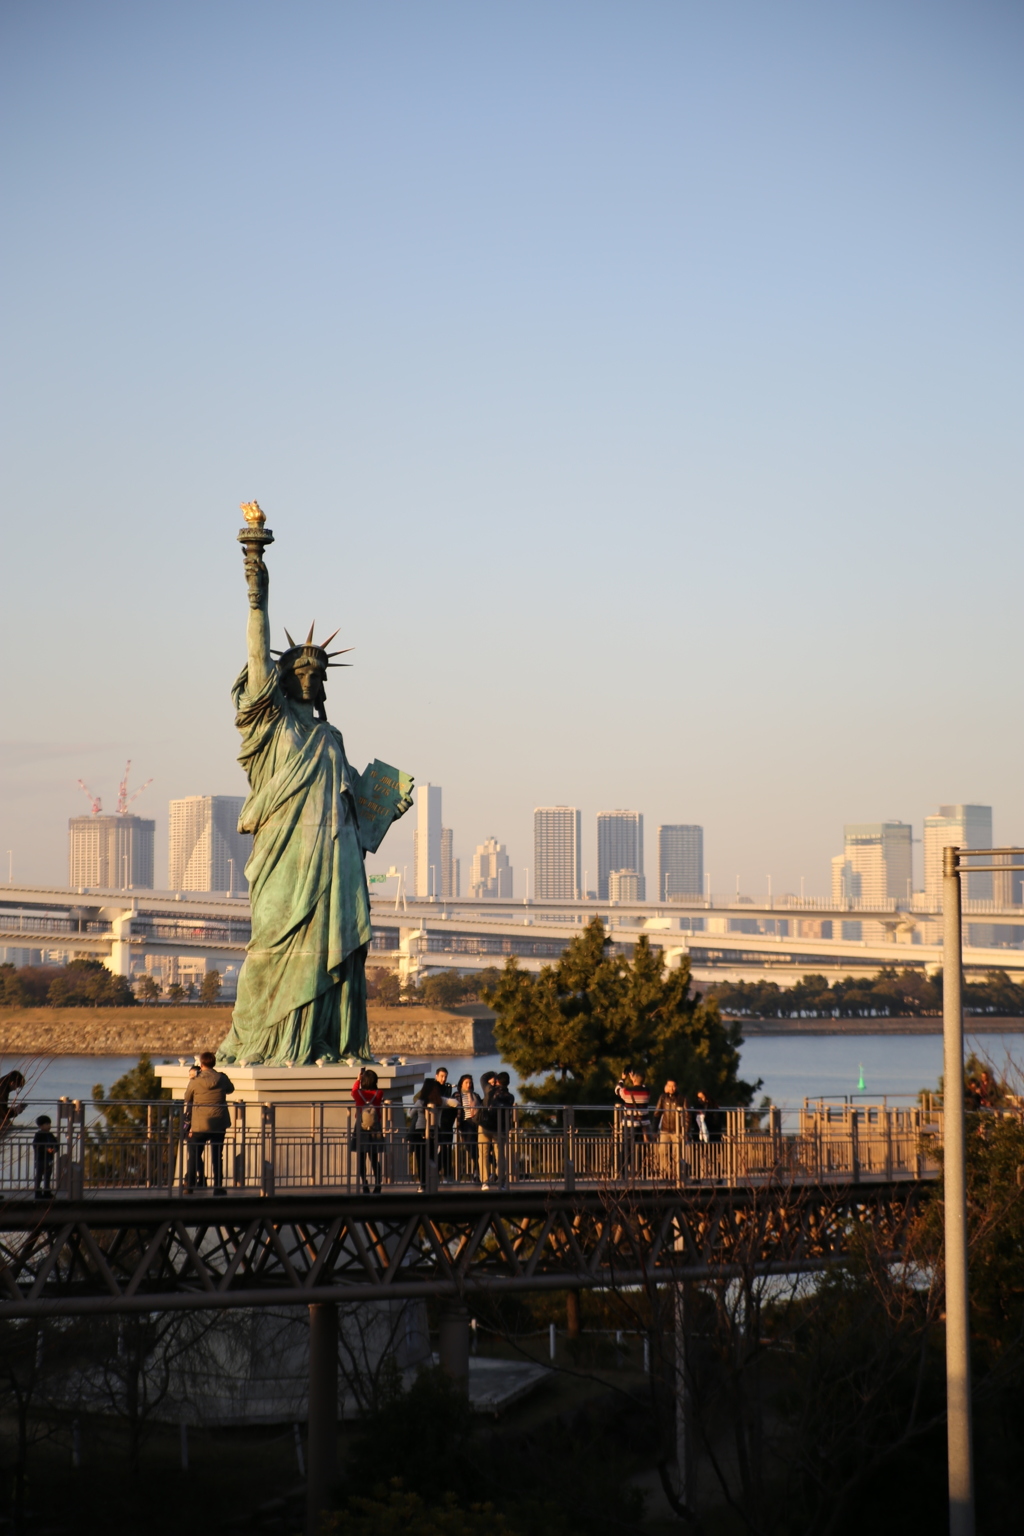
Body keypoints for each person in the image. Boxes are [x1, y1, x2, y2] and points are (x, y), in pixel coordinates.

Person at [216, 505, 413, 1067]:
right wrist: (256, 571)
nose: (308, 675)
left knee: (337, 950)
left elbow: (356, 805)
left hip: (335, 858)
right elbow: (256, 647)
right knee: (272, 946)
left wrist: (387, 801)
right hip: (285, 855)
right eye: (298, 669)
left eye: (315, 672)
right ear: (282, 678)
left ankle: (326, 1040)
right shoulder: (271, 723)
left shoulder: (331, 736)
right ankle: (264, 1041)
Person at [184, 1052, 235, 1194]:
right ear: (214, 1063)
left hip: (200, 1123)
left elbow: (187, 1097)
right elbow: (231, 1089)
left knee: (194, 1154)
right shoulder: (222, 1078)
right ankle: (218, 1187)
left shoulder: (195, 1080)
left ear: (201, 1064)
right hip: (219, 1123)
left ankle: (190, 1186)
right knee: (217, 1155)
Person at [478, 1072, 515, 1190]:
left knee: (483, 1153)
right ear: (508, 1083)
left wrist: (492, 1074)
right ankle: (501, 1182)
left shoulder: (489, 1090)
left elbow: (483, 1078)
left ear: (497, 1081)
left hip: (485, 1126)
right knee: (500, 1155)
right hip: (499, 1128)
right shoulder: (510, 1097)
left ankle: (485, 1182)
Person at [351, 1067, 385, 1194]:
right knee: (374, 1157)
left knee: (361, 1157)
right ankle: (378, 1184)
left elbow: (353, 1091)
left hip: (361, 1127)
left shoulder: (358, 1094)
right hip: (375, 1127)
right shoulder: (379, 1093)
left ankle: (364, 1184)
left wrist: (358, 1080)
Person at [407, 1079, 443, 1190]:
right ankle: (432, 1182)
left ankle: (422, 1184)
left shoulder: (420, 1102)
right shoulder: (439, 1101)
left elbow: (410, 1115)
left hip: (420, 1131)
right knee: (431, 1157)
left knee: (421, 1159)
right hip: (433, 1131)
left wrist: (409, 1109)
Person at [655, 1079, 687, 1180]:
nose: (671, 1088)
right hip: (665, 1129)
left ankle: (677, 1174)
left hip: (677, 1130)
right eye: (669, 1086)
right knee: (662, 1152)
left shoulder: (682, 1098)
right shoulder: (663, 1097)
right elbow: (657, 1113)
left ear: (677, 1087)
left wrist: (685, 1131)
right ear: (666, 1086)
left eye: (673, 1086)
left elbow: (687, 1116)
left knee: (677, 1154)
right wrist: (654, 1129)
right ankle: (666, 1174)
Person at [455, 1074, 482, 1181]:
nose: (468, 1085)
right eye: (466, 1082)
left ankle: (477, 1172)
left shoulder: (475, 1095)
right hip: (465, 1122)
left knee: (478, 1147)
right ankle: (477, 1170)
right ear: (461, 1084)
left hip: (477, 1123)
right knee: (470, 1146)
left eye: (470, 1083)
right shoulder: (457, 1095)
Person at [434, 1068, 458, 1182]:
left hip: (447, 1123)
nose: (443, 1079)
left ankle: (447, 1175)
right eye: (442, 1076)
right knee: (442, 1149)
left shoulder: (447, 1088)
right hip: (437, 1123)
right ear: (436, 1076)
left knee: (447, 1149)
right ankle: (436, 1172)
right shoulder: (433, 1088)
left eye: (445, 1077)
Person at [32, 1115, 58, 1199]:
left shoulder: (50, 1135)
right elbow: (36, 1145)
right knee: (39, 1176)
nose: (49, 1126)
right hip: (40, 1159)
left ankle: (47, 1192)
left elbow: (56, 1144)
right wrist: (46, 1149)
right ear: (41, 1126)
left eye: (49, 1124)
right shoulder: (38, 1134)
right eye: (47, 1124)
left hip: (49, 1159)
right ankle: (38, 1192)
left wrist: (54, 1149)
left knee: (48, 1176)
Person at [0, 1070, 26, 1136]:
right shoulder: (3, 1090)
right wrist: (15, 1111)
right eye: (16, 1087)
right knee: (7, 1126)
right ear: (12, 1083)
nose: (15, 1089)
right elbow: (3, 1113)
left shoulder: (2, 1084)